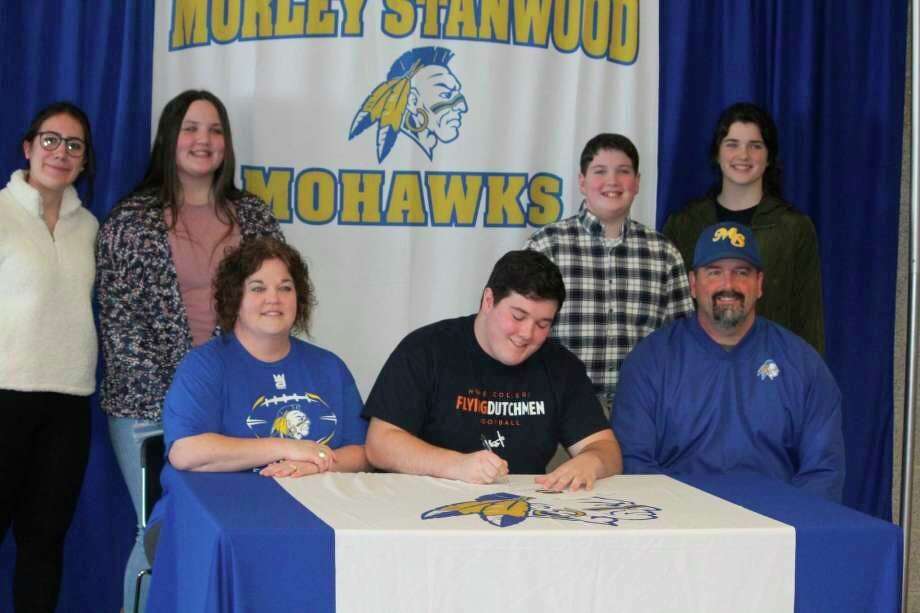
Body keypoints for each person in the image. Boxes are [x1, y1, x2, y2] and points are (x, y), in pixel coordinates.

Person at [96, 90, 282, 611]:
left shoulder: (254, 218)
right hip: (148, 407)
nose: (204, 140)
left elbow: (275, 308)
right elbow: (121, 330)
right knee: (160, 532)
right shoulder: (129, 223)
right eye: (192, 128)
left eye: (216, 130)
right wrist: (189, 395)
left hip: (241, 402)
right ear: (169, 139)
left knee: (236, 533)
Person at [612, 222, 845, 502]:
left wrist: (784, 526)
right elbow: (634, 463)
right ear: (693, 284)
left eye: (741, 272)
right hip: (680, 526)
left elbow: (824, 472)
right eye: (714, 272)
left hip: (773, 527)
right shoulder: (650, 360)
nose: (728, 285)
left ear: (759, 284)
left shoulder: (802, 363)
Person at [363, 250, 622, 491]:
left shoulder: (561, 366)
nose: (527, 334)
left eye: (543, 324)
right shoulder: (426, 349)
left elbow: (606, 449)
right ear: (488, 301)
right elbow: (380, 443)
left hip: (523, 514)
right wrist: (456, 466)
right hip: (425, 505)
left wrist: (592, 462)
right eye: (518, 317)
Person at [0, 102, 98, 612]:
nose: (60, 152)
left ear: (84, 161)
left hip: (69, 403)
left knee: (44, 545)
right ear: (28, 147)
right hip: (5, 397)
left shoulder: (91, 228)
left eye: (73, 145)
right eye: (50, 140)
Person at [164, 237, 368, 475]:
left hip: (312, 503)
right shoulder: (204, 366)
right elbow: (186, 452)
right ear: (234, 298)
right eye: (258, 288)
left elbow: (362, 453)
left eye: (285, 288)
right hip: (227, 506)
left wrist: (309, 466)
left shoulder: (329, 366)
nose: (274, 298)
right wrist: (286, 448)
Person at [526, 133, 694, 410]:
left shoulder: (664, 253)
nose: (612, 182)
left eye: (623, 172)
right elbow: (525, 334)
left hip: (642, 411)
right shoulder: (547, 246)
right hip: (559, 410)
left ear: (637, 182)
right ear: (582, 182)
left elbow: (681, 342)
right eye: (600, 171)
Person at [663, 102, 825, 353]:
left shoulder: (794, 228)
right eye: (732, 144)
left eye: (755, 146)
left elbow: (808, 317)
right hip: (696, 374)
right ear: (717, 153)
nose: (744, 155)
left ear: (769, 156)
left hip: (770, 371)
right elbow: (669, 315)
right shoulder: (684, 224)